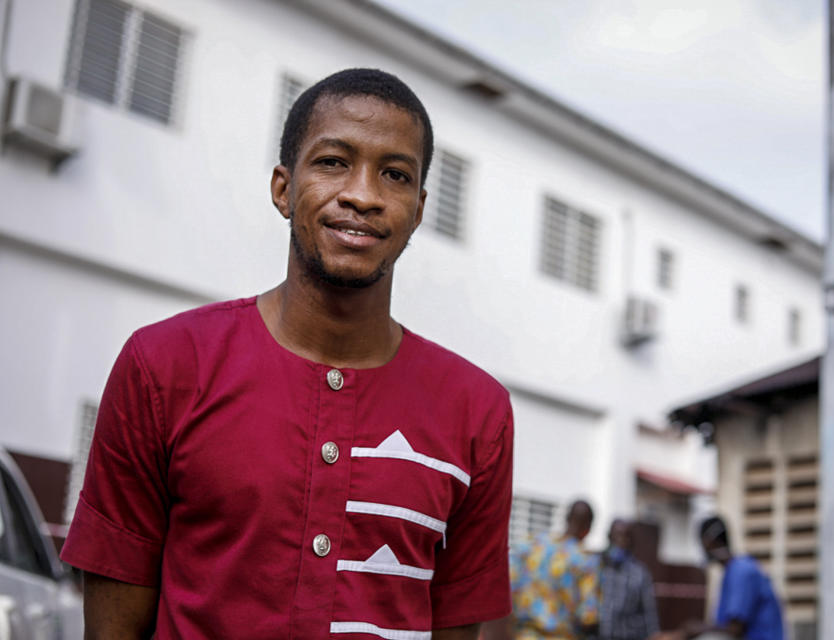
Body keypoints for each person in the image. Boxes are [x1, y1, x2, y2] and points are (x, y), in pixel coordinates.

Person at [60, 68, 515, 639]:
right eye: (332, 162)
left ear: (418, 210)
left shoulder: (477, 411)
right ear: (283, 188)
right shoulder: (165, 366)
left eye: (395, 174)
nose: (363, 195)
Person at [678, 516, 783, 640]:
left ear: (709, 541)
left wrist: (698, 629)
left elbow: (735, 629)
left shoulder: (742, 572)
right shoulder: (732, 571)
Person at [510, 500, 600, 640]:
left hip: (523, 634)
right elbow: (588, 616)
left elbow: (509, 586)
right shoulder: (585, 561)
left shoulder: (531, 544)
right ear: (588, 528)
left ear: (566, 518)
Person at [598, 519, 660, 640]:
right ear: (609, 537)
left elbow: (649, 613)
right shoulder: (596, 566)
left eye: (626, 536)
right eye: (617, 536)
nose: (621, 541)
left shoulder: (640, 573)